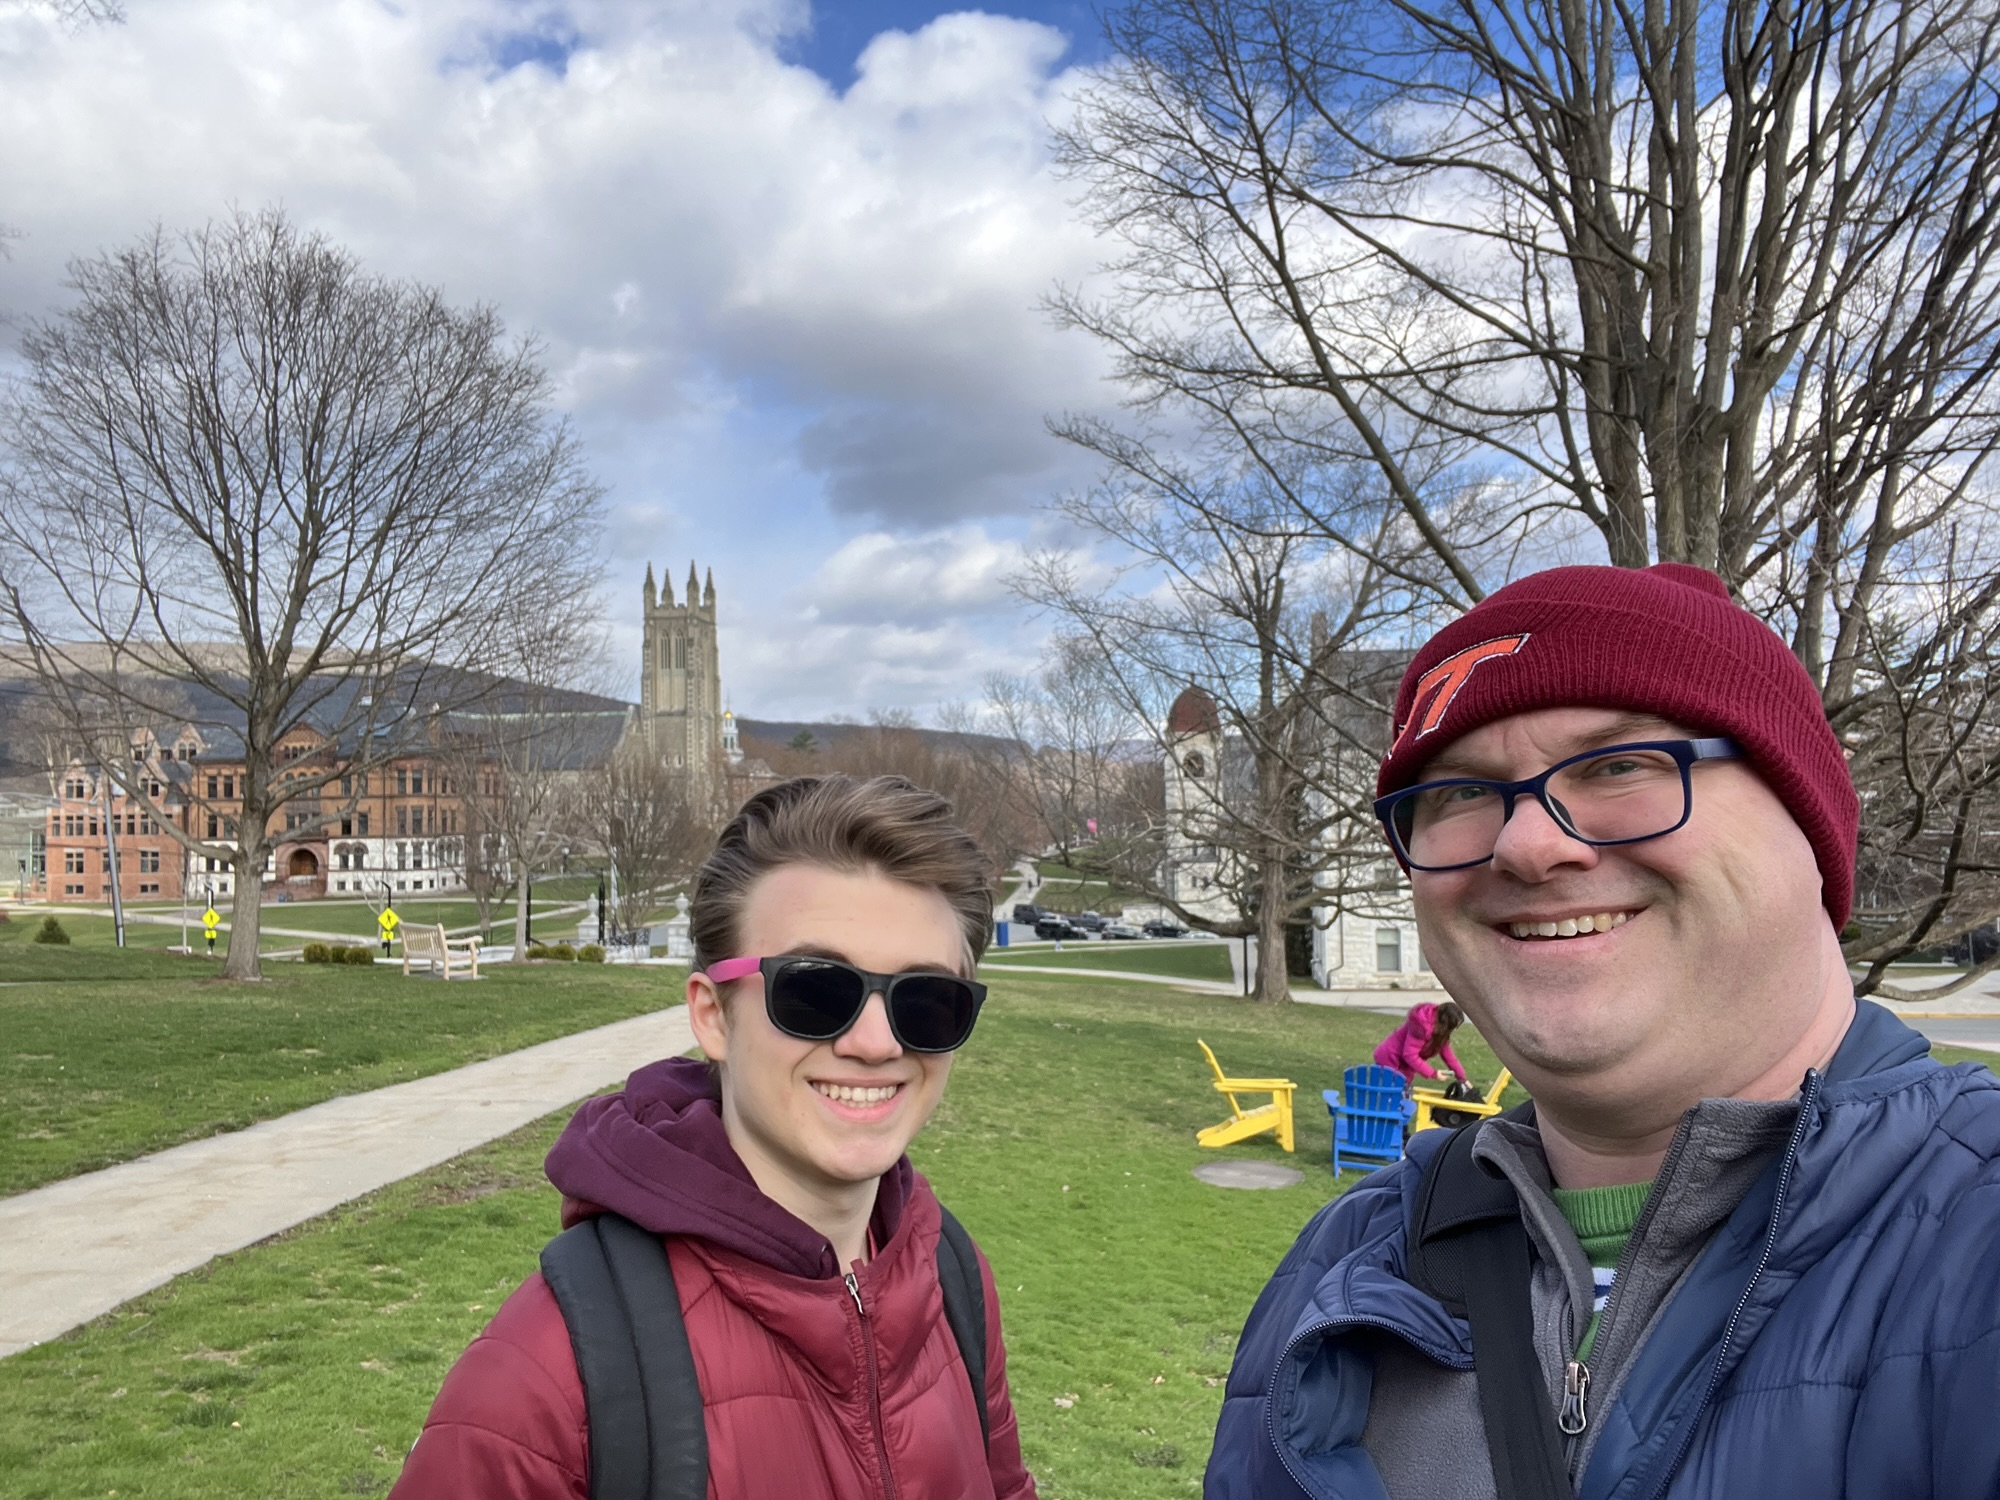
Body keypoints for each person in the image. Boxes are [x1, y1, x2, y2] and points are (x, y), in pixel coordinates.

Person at [1205, 563, 2000, 1499]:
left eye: (1620, 765)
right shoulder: (1342, 1263)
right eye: (1459, 794)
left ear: (1810, 824)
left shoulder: (1974, 1237)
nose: (1527, 844)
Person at [392, 775, 1037, 1500]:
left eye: (927, 1000)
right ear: (713, 1017)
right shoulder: (543, 1377)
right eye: (814, 990)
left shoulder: (949, 1275)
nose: (875, 1043)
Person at [1373, 1000, 1468, 1088]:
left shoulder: (1440, 1032)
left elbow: (1449, 1056)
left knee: (1403, 1094)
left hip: (1405, 1065)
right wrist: (1433, 1073)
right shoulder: (1421, 1028)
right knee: (1393, 1094)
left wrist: (1463, 1079)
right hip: (1391, 1058)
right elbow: (1410, 1055)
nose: (1453, 1030)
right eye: (1453, 1027)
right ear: (1446, 1023)